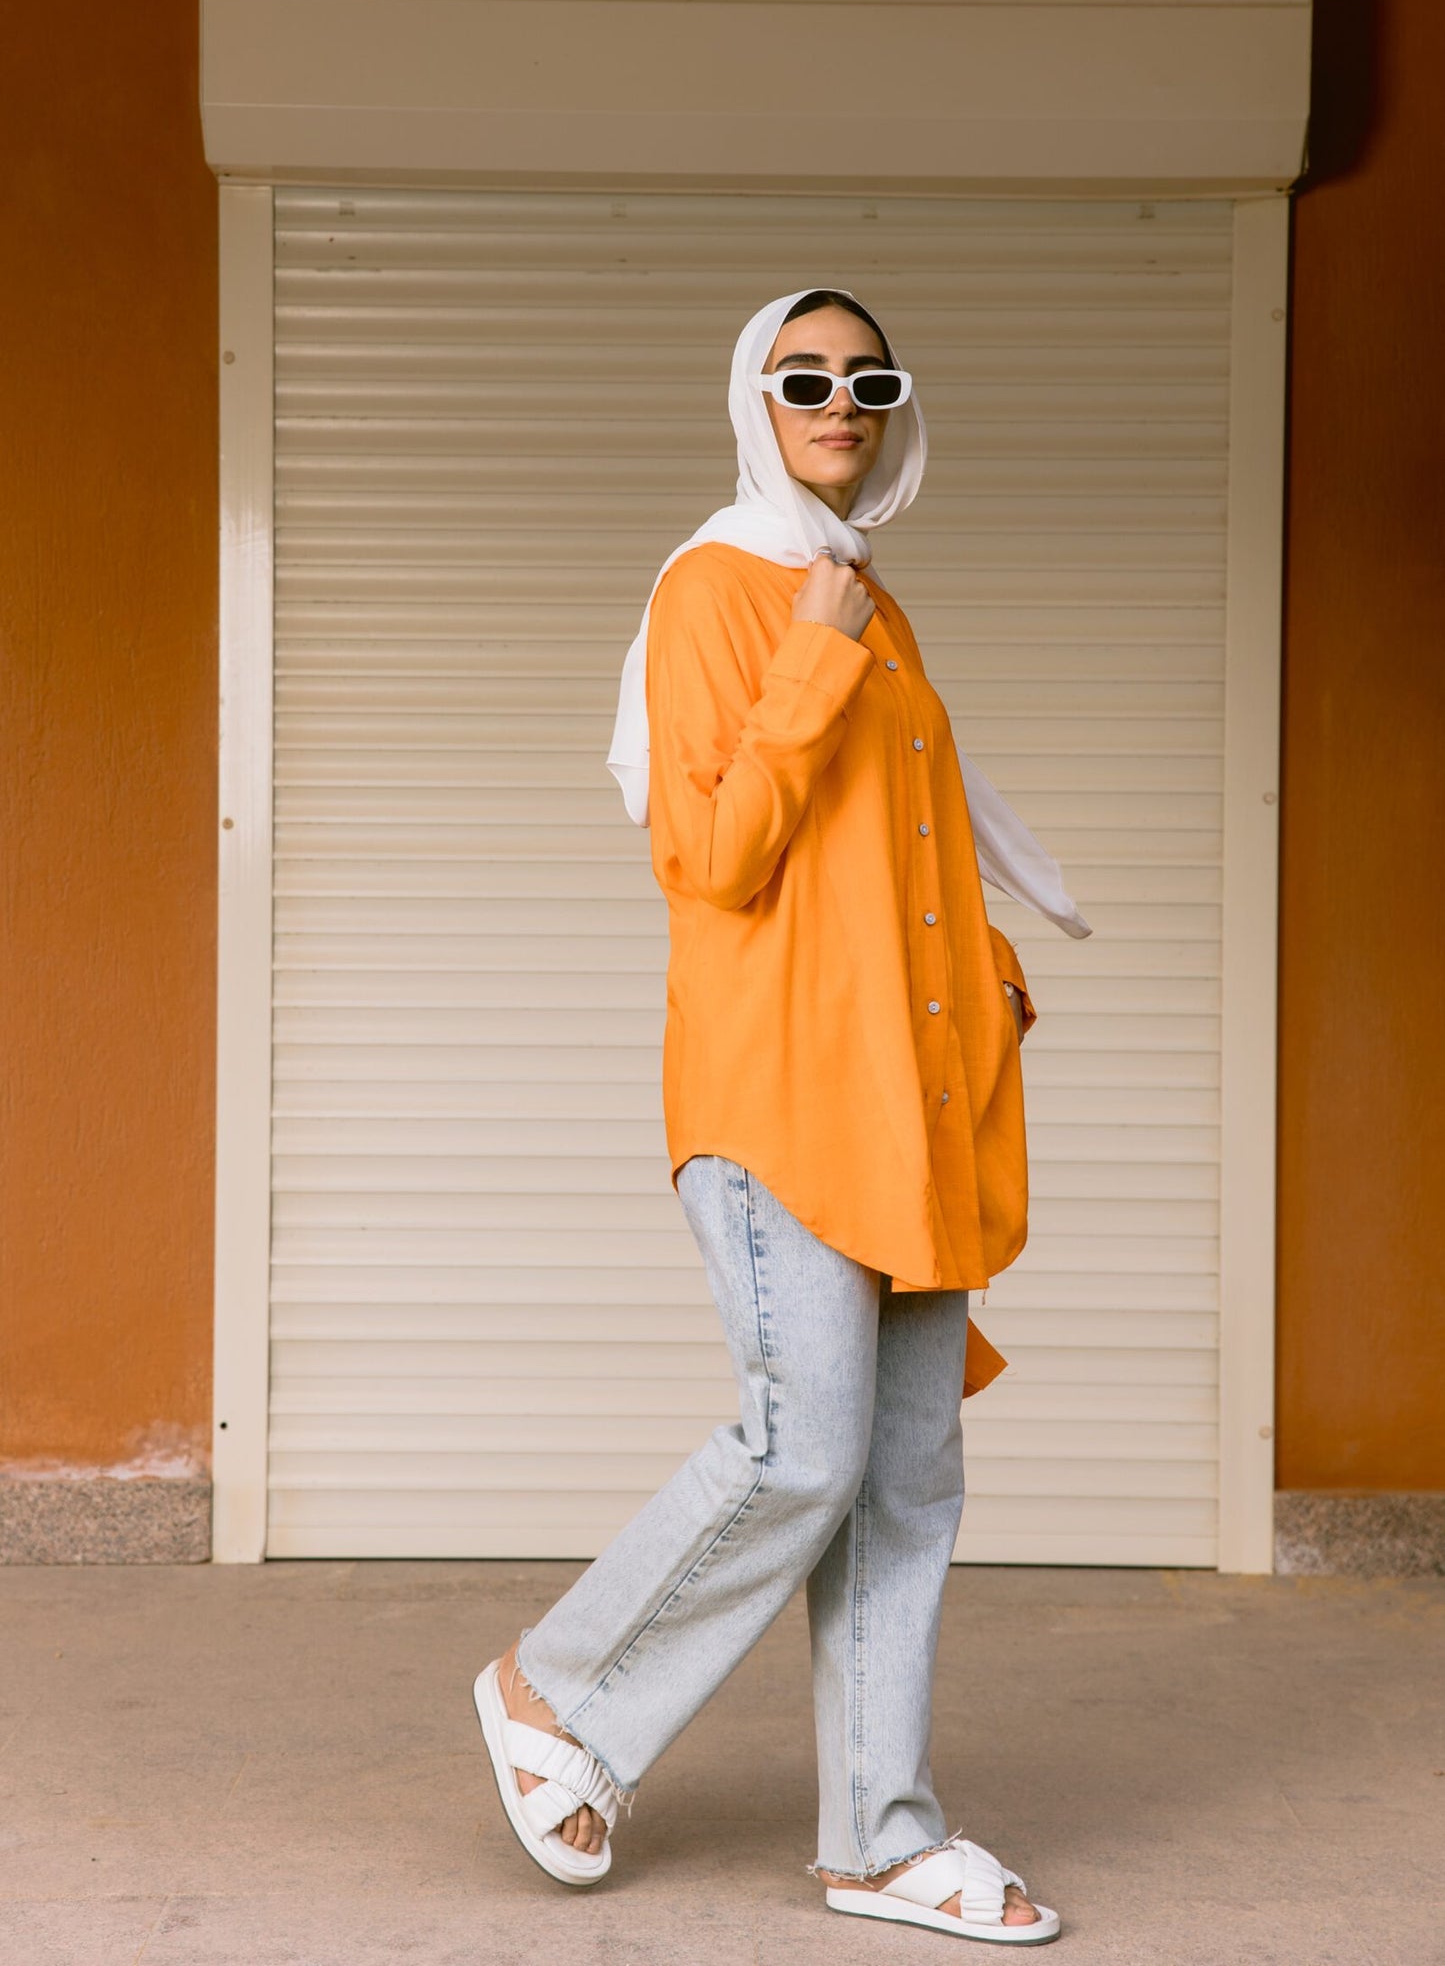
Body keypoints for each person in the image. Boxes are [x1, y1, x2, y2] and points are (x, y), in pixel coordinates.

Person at [474, 287, 1086, 1944]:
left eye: (864, 379)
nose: (837, 401)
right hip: (779, 1095)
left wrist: (991, 983)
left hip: (909, 1094)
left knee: (904, 1477)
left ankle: (879, 1839)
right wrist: (811, 643)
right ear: (751, 400)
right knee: (800, 1448)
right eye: (800, 377)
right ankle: (560, 1699)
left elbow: (896, 852)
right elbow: (714, 854)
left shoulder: (868, 601)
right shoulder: (718, 591)